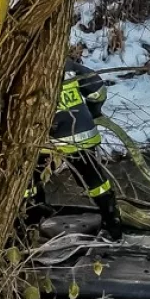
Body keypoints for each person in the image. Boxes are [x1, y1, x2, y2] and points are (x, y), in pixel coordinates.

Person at [24, 58, 123, 240]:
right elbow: (97, 89)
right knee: (94, 179)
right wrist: (93, 112)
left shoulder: (22, 66)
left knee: (30, 178)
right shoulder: (66, 65)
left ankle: (31, 222)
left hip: (43, 139)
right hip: (81, 135)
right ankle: (112, 222)